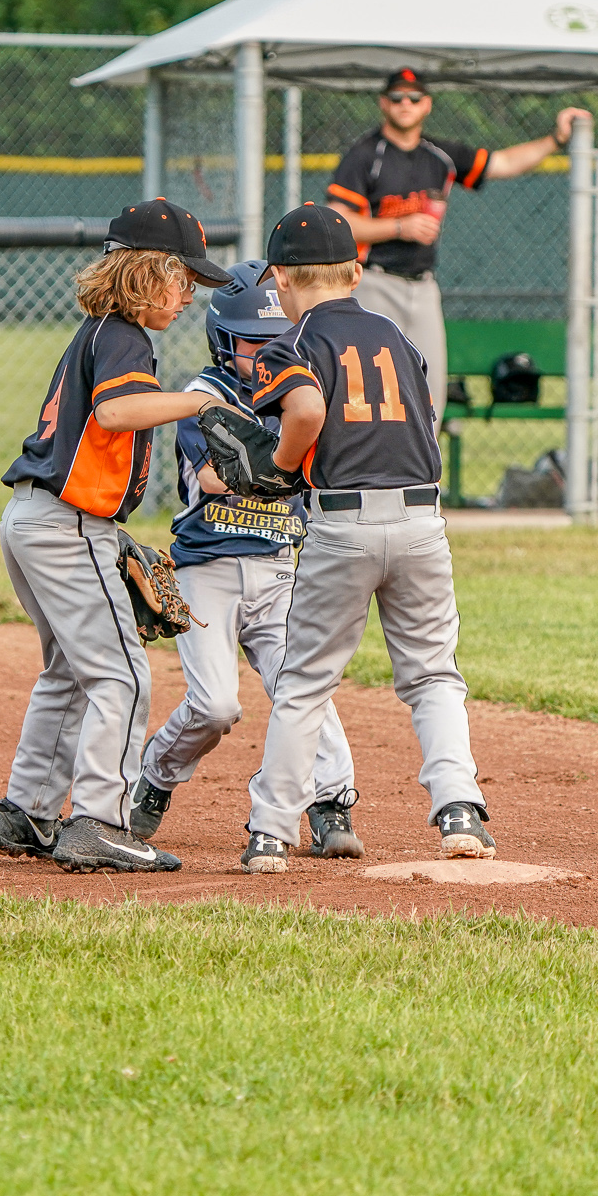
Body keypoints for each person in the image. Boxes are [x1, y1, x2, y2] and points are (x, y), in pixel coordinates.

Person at [237, 203, 491, 875]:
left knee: (305, 683)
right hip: (421, 519)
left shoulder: (290, 345)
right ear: (356, 270)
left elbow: (308, 409)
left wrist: (281, 467)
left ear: (280, 280)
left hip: (343, 523)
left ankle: (269, 831)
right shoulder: (397, 335)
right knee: (434, 674)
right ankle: (459, 806)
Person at [0, 198, 231, 873]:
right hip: (67, 526)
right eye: (182, 280)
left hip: (34, 520)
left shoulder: (96, 333)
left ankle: (27, 810)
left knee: (69, 672)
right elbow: (118, 410)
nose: (186, 297)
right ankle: (101, 821)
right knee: (120, 675)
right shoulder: (123, 336)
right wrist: (200, 400)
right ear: (149, 274)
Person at [126, 260, 363, 859]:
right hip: (207, 569)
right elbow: (214, 478)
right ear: (222, 340)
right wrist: (290, 457)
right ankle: (155, 775)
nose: (264, 355)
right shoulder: (201, 398)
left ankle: (330, 801)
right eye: (251, 344)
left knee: (302, 687)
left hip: (281, 569)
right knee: (215, 705)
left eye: (276, 342)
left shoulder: (300, 387)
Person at [326, 67, 590, 422]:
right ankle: (375, 471)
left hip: (423, 285)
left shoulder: (440, 156)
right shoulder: (364, 155)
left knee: (430, 383)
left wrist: (555, 139)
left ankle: (425, 472)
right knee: (372, 386)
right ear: (383, 104)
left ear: (427, 105)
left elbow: (505, 163)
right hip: (373, 282)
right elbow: (337, 221)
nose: (406, 104)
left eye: (414, 97)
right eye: (397, 97)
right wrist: (399, 226)